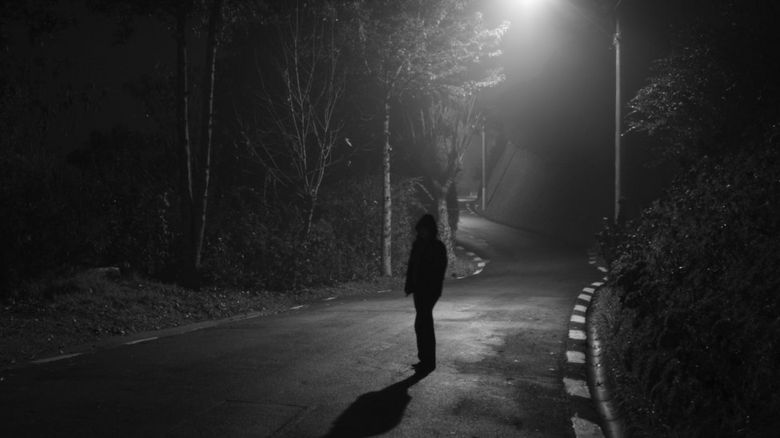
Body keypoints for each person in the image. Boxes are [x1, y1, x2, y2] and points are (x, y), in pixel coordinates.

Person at [405, 214, 448, 374]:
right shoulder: (418, 245)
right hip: (418, 289)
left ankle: (428, 360)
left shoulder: (437, 247)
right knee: (422, 323)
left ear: (430, 230)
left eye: (424, 230)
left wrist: (433, 288)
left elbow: (439, 270)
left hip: (429, 290)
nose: (422, 233)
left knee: (424, 323)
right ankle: (425, 359)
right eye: (420, 230)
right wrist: (410, 285)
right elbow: (412, 266)